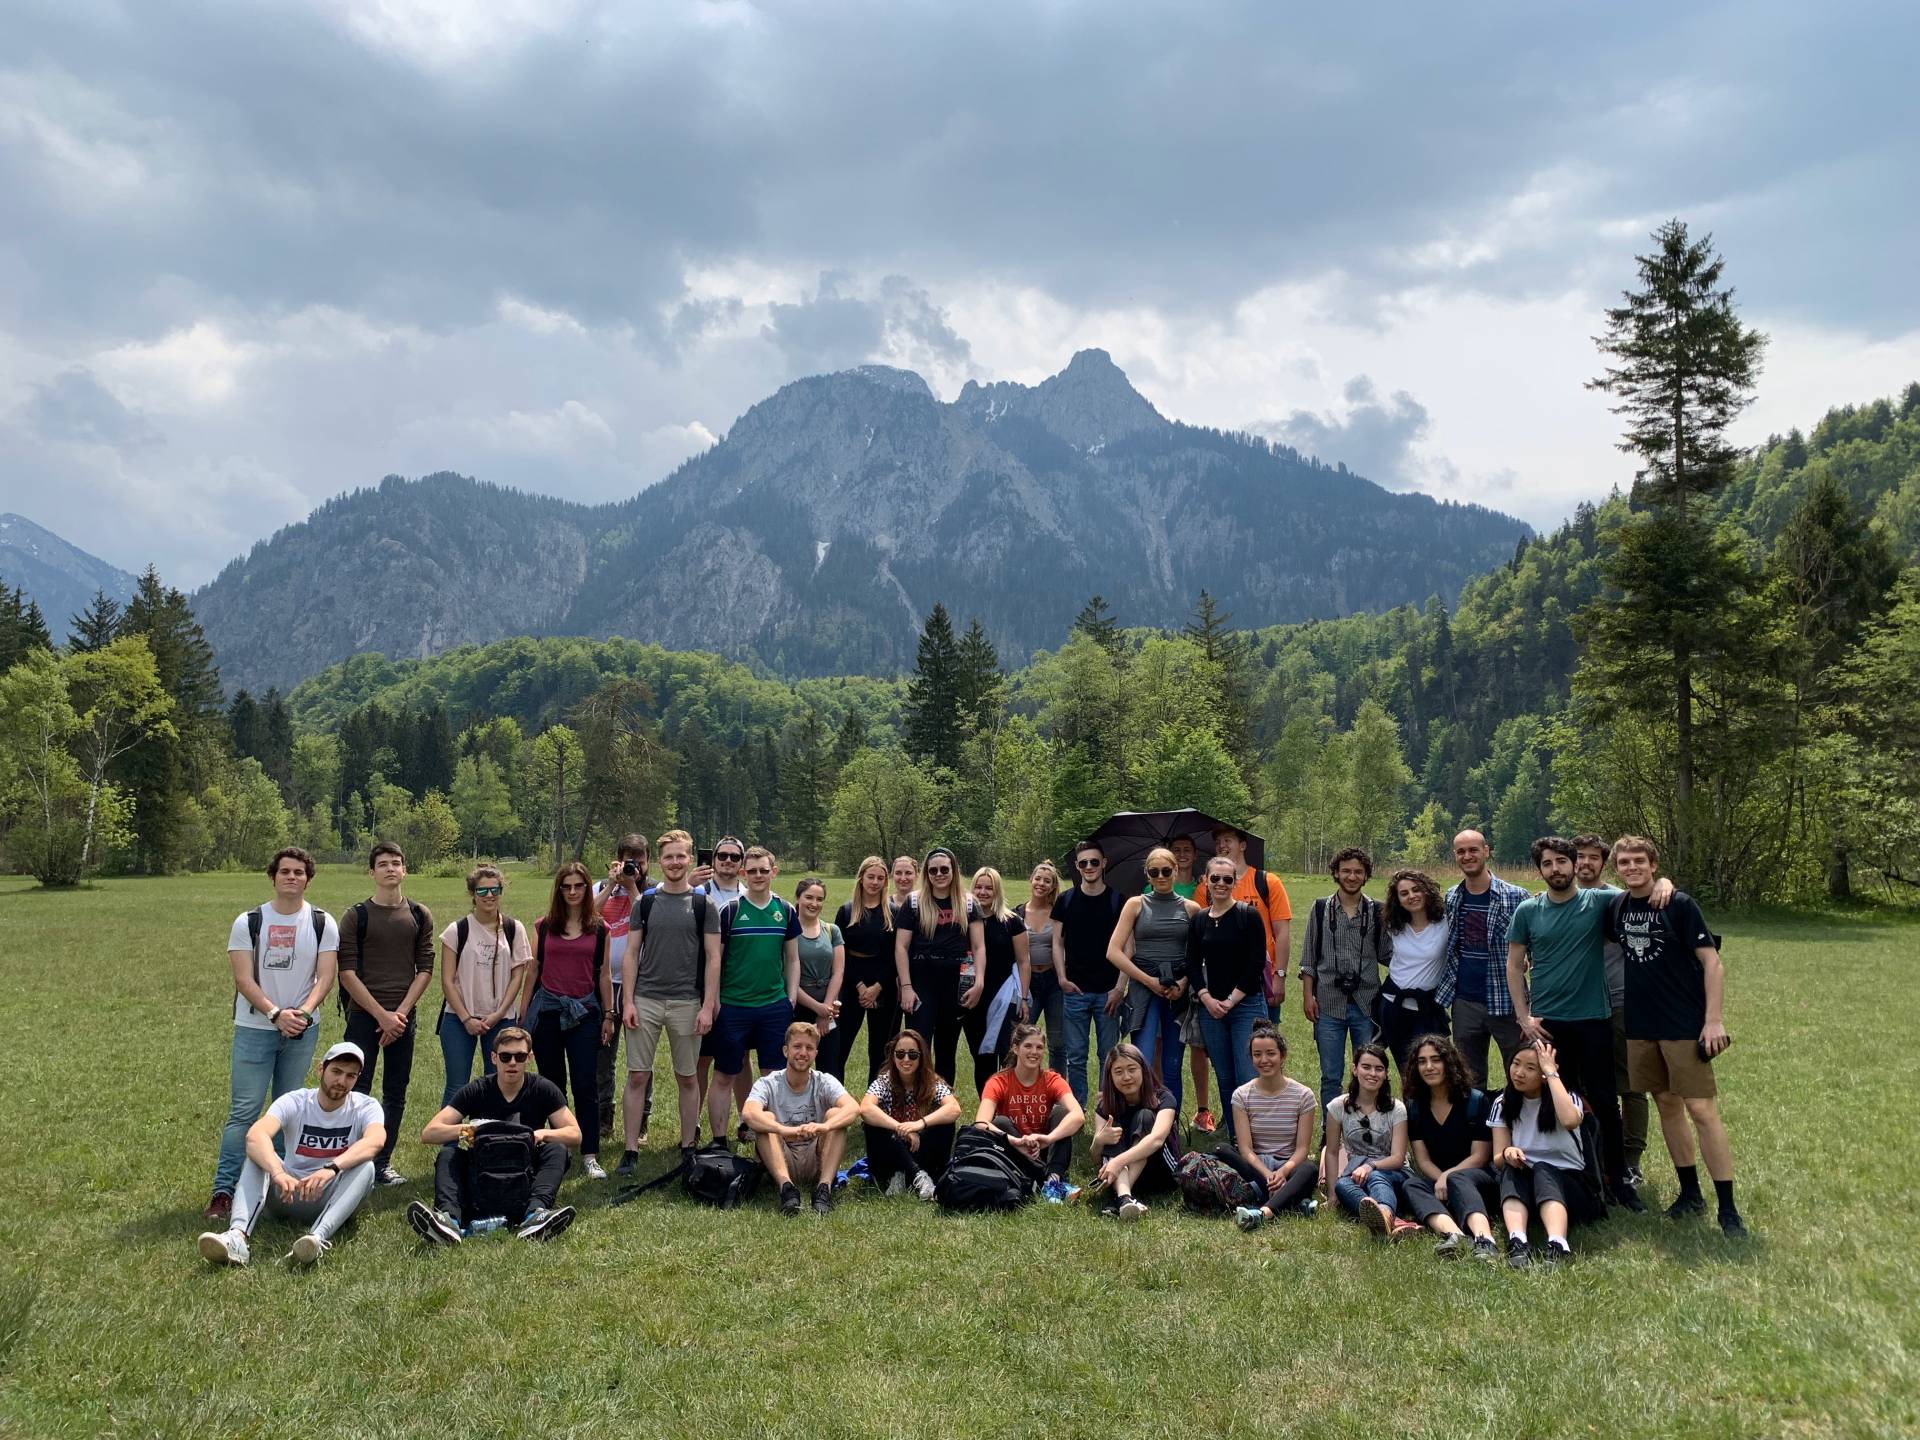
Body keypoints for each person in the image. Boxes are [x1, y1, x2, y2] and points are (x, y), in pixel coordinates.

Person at [1508, 835, 1669, 1211]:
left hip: (1594, 1019)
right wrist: (1523, 1016)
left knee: (1603, 1104)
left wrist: (1663, 883)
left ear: (1573, 864)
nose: (1555, 869)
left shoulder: (1598, 901)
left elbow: (1642, 893)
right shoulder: (1528, 912)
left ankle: (1618, 1182)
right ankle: (1564, 1172)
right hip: (1548, 1025)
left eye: (1561, 862)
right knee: (1552, 1099)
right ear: (1540, 870)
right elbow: (1514, 966)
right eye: (1547, 864)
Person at [1608, 835, 1746, 1238]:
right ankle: (1690, 1194)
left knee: (1702, 1111)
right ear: (1617, 868)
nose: (1632, 868)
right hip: (1640, 1026)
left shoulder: (1679, 905)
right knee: (1666, 1104)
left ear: (1653, 865)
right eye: (1624, 862)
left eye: (1639, 861)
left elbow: (1712, 963)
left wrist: (1713, 1020)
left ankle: (1729, 1209)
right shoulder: (1616, 907)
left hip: (1683, 1025)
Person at [207, 846, 339, 1222]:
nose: (292, 877)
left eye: (299, 872)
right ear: (273, 876)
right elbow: (242, 978)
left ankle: (273, 1186)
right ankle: (224, 1191)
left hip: (301, 1030)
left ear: (308, 879)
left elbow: (325, 976)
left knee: (287, 1111)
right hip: (255, 1028)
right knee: (244, 1112)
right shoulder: (249, 921)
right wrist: (274, 1013)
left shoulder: (321, 921)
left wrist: (303, 1013)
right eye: (285, 871)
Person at [198, 1041, 384, 1268]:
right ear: (321, 1070)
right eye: (336, 1072)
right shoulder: (295, 1101)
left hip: (333, 1194)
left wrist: (331, 1169)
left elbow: (376, 1140)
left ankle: (316, 1240)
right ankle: (237, 1237)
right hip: (288, 1191)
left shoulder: (365, 1106)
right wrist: (278, 1173)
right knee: (257, 1157)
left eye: (350, 1076)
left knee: (366, 1166)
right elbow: (255, 1136)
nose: (342, 1082)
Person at [407, 1027, 581, 1244]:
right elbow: (429, 1132)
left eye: (520, 1057)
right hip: (481, 1180)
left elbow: (575, 1134)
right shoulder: (477, 1090)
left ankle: (535, 1215)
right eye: (505, 1056)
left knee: (557, 1149)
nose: (512, 1063)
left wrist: (542, 1133)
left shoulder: (542, 1088)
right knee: (448, 1155)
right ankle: (448, 1221)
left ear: (530, 1058)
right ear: (494, 1058)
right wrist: (467, 1130)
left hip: (525, 1178)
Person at [617, 829, 720, 1174]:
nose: (675, 862)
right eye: (669, 857)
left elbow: (713, 957)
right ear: (659, 862)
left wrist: (708, 1005)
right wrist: (627, 1001)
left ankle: (688, 1145)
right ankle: (631, 1150)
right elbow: (631, 953)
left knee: (688, 1077)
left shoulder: (704, 904)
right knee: (636, 1076)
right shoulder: (645, 902)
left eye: (681, 856)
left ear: (690, 859)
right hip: (645, 999)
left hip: (687, 1002)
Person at [336, 840, 434, 1186]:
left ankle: (381, 1164)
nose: (391, 869)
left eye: (396, 863)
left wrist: (400, 1014)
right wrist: (380, 1015)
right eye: (383, 864)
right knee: (356, 1088)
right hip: (363, 1016)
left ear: (404, 870)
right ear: (372, 872)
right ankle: (352, 1162)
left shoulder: (420, 915)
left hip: (403, 1017)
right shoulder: (356, 916)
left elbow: (425, 967)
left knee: (396, 1091)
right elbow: (346, 972)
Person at [702, 847, 802, 1147]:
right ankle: (719, 1141)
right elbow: (714, 960)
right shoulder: (730, 910)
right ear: (744, 873)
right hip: (734, 1006)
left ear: (774, 872)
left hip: (773, 1007)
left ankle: (769, 1139)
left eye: (764, 870)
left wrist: (791, 997)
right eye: (753, 870)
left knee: (773, 1077)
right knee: (724, 1074)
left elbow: (793, 959)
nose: (758, 875)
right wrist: (716, 1000)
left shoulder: (785, 910)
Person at [526, 862, 614, 1180]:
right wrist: (524, 1018)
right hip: (548, 1012)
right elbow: (533, 970)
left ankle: (590, 1154)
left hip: (585, 1014)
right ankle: (557, 1148)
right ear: (559, 890)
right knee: (551, 1085)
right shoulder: (544, 926)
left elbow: (604, 975)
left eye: (579, 886)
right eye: (567, 886)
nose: (573, 892)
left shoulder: (601, 929)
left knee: (585, 1084)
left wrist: (608, 1014)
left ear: (586, 888)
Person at [1574, 835, 1650, 1189]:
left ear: (1603, 863)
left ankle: (1631, 1160)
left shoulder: (1619, 901)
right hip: (1578, 1008)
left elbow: (1655, 894)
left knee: (1630, 1085)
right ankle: (1594, 1155)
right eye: (1579, 856)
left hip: (1619, 1003)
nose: (1585, 863)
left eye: (1593, 857)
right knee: (1586, 1086)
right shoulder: (1556, 900)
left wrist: (1664, 882)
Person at [1490, 1039, 1599, 1267]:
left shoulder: (1568, 1099)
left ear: (1544, 1074)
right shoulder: (1503, 1102)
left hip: (1573, 1188)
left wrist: (1551, 1072)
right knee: (1512, 1170)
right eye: (1516, 1064)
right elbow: (1498, 1159)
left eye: (1530, 1068)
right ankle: (1518, 1242)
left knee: (1542, 1168)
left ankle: (1558, 1245)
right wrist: (1508, 1153)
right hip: (1528, 1185)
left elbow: (1570, 1121)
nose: (1519, 1073)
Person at [1108, 847, 1200, 1111]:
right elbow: (1114, 951)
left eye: (1166, 871)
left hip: (1176, 992)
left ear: (1175, 871)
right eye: (1154, 872)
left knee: (1172, 1063)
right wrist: (1148, 981)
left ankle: (1168, 1124)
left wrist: (1183, 982)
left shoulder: (1191, 909)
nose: (1161, 876)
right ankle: (1140, 1120)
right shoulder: (1135, 905)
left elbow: (1199, 955)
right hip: (1143, 989)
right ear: (1147, 875)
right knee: (1141, 1059)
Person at [1438, 829, 1530, 1089]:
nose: (1468, 856)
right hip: (1465, 1002)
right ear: (1455, 856)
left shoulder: (1516, 897)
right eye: (1461, 851)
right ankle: (1477, 1129)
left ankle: (1516, 1127)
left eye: (1473, 850)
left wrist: (1526, 963)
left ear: (1486, 851)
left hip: (1507, 1000)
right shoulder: (1452, 896)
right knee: (1468, 1077)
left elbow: (1533, 947)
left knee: (1520, 1072)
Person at [437, 863, 532, 1105]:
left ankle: (495, 1138)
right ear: (472, 894)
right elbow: (447, 980)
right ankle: (449, 1141)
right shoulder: (457, 930)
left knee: (500, 1082)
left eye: (494, 890)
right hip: (458, 1019)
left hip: (501, 1019)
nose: (489, 896)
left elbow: (517, 977)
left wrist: (499, 1013)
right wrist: (467, 1018)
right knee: (457, 1085)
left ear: (501, 891)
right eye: (482, 891)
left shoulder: (514, 929)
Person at [1399, 1034, 1500, 1261]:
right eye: (1422, 1061)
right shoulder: (1414, 1106)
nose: (1429, 1067)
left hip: (1476, 1178)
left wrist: (1449, 1176)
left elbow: (1480, 1156)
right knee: (1411, 1184)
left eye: (1436, 1060)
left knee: (1459, 1180)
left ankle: (1485, 1240)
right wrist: (1441, 1179)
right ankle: (1454, 1235)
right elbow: (1422, 1159)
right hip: (1440, 1181)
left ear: (1449, 1063)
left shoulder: (1475, 1101)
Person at [1300, 847, 1388, 1108]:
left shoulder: (1377, 912)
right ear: (1336, 873)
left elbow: (1389, 955)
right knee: (1330, 1076)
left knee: (1369, 1073)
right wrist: (1308, 996)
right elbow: (1308, 960)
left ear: (1366, 876)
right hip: (1328, 1003)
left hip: (1367, 1004)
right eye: (1346, 871)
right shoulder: (1320, 909)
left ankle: (1366, 1127)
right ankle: (1331, 1132)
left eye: (1358, 872)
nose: (1352, 876)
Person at [743, 1021, 860, 1216]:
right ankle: (786, 1188)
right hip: (782, 1156)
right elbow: (749, 1113)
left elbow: (853, 1108)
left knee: (836, 1116)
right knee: (765, 1118)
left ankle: (824, 1188)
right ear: (785, 1050)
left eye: (809, 1048)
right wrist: (782, 1129)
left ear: (815, 1053)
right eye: (797, 1046)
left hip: (817, 1157)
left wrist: (825, 1126)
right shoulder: (768, 1083)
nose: (803, 1053)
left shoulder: (824, 1080)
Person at [892, 847, 986, 1087]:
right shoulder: (914, 902)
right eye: (933, 870)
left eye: (945, 869)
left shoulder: (968, 903)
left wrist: (979, 982)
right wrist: (906, 987)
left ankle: (943, 1110)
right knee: (917, 1047)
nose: (939, 874)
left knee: (947, 1048)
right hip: (921, 981)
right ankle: (914, 1103)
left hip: (955, 984)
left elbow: (978, 947)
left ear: (953, 871)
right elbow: (901, 947)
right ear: (926, 873)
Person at [1186, 857, 1268, 1117]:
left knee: (1247, 1075)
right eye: (1215, 879)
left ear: (1235, 882)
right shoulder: (1199, 920)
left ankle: (1255, 1138)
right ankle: (1235, 1136)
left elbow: (1255, 963)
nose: (1221, 884)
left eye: (1227, 879)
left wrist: (1231, 1000)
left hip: (1246, 1004)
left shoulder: (1248, 916)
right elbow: (1191, 963)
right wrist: (1206, 998)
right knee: (1224, 1076)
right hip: (1211, 1010)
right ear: (1206, 881)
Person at [1054, 839, 1127, 1111]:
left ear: (1104, 863)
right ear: (1077, 866)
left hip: (1108, 991)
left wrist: (1120, 987)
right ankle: (1078, 1108)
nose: (1089, 867)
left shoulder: (1117, 900)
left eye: (1094, 862)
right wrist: (1062, 978)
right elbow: (1057, 942)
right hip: (1075, 991)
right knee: (1076, 1056)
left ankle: (1106, 1106)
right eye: (1083, 863)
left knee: (1109, 1056)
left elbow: (1127, 946)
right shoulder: (1066, 900)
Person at [1226, 1023, 1320, 1230]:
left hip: (1288, 1166)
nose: (1264, 1060)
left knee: (1310, 1169)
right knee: (1222, 1150)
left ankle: (1262, 1212)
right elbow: (1245, 1149)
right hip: (1257, 1167)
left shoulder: (1303, 1095)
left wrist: (1282, 1173)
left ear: (1282, 1056)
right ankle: (1292, 1200)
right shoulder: (1241, 1095)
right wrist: (1268, 1175)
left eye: (1271, 1053)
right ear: (1251, 1058)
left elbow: (1303, 1149)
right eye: (1257, 1054)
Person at [977, 1022, 1085, 1197]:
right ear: (1015, 1048)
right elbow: (980, 1123)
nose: (1034, 1052)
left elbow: (1078, 1115)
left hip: (1043, 1148)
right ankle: (1041, 1179)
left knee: (1062, 1114)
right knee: (1000, 1122)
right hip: (1015, 1148)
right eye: (1028, 1046)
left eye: (1039, 1047)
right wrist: (1014, 1141)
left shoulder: (1051, 1079)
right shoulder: (998, 1081)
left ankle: (1053, 1179)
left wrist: (1049, 1138)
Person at [859, 1027, 961, 1200]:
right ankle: (916, 1176)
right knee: (873, 1125)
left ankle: (905, 1175)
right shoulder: (885, 1081)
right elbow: (866, 1108)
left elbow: (954, 1108)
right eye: (900, 1054)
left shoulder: (931, 1082)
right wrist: (900, 1128)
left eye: (912, 1054)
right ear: (893, 1056)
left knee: (945, 1123)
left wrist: (918, 1124)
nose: (906, 1059)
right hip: (890, 1153)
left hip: (922, 1151)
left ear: (922, 1057)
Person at [691, 836, 750, 1138]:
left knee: (740, 1056)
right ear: (712, 860)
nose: (728, 861)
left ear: (742, 864)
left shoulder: (750, 893)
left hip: (739, 984)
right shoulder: (698, 892)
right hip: (702, 983)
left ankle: (747, 1119)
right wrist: (688, 886)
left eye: (734, 857)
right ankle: (695, 1120)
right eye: (722, 856)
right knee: (702, 1056)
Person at [593, 834, 649, 1147]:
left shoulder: (651, 890)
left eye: (639, 860)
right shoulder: (602, 887)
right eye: (628, 859)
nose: (633, 866)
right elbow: (586, 915)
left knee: (641, 1056)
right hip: (604, 982)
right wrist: (614, 885)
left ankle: (641, 1119)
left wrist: (632, 887)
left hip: (640, 983)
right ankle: (604, 1117)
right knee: (604, 1055)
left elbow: (650, 917)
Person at [1323, 1043, 1412, 1239]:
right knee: (1342, 1185)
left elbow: (1398, 1158)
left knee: (1375, 1176)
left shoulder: (1396, 1109)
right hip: (1356, 1174)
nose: (1372, 1073)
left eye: (1379, 1069)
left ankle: (1386, 1215)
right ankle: (1386, 1219)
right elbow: (1331, 1152)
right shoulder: (1338, 1107)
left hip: (1395, 1174)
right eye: (1366, 1067)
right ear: (1355, 1069)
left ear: (1386, 1074)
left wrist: (1371, 1166)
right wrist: (1332, 1195)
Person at [1210, 824, 1292, 1022]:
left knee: (1265, 1043)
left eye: (1228, 840)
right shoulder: (1209, 885)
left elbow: (1282, 932)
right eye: (1218, 842)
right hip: (1221, 979)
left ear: (1243, 845)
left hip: (1261, 977)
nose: (1222, 845)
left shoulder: (1267, 882)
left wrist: (1279, 975)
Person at [1089, 1043, 1181, 1220]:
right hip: (1124, 1177)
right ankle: (1125, 1198)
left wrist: (1118, 1162)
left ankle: (1120, 1197)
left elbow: (1156, 1140)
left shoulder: (1163, 1097)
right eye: (1118, 1072)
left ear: (1143, 1070)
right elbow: (1096, 1158)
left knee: (1145, 1116)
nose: (1126, 1077)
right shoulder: (1105, 1106)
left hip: (1161, 1174)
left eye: (1132, 1069)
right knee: (1112, 1129)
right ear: (1110, 1077)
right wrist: (1098, 1142)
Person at [832, 856, 901, 1083]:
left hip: (884, 983)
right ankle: (834, 1102)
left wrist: (877, 987)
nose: (875, 882)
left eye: (880, 878)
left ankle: (876, 1106)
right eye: (871, 877)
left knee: (881, 1050)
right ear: (861, 879)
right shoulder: (846, 911)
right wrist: (861, 987)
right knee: (839, 1046)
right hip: (852, 982)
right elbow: (841, 953)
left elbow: (896, 955)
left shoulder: (892, 912)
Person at [963, 866, 1030, 1093]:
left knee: (1007, 1054)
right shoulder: (963, 920)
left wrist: (1023, 997)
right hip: (973, 997)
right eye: (978, 887)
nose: (982, 892)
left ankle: (1008, 1109)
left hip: (1005, 996)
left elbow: (1023, 961)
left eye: (988, 888)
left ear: (997, 890)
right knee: (981, 1056)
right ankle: (987, 1110)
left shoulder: (1012, 921)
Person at [1379, 869, 1452, 1067]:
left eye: (1416, 889)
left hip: (1427, 1008)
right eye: (1404, 893)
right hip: (1393, 1006)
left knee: (1435, 1068)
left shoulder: (1445, 922)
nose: (1411, 896)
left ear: (1426, 890)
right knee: (1407, 1071)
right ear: (1397, 900)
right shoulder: (1393, 925)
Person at [1015, 861, 1067, 1075]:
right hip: (1027, 982)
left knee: (1057, 1042)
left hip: (1053, 980)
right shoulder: (1017, 913)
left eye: (1047, 881)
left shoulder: (1058, 913)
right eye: (1038, 879)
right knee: (1021, 1037)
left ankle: (1058, 1092)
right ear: (1031, 880)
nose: (1041, 884)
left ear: (1053, 886)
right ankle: (1020, 1085)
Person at [792, 878, 846, 1067]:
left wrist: (826, 1010)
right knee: (797, 1064)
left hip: (828, 1008)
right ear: (798, 898)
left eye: (819, 899)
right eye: (809, 897)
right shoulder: (788, 932)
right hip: (797, 1007)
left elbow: (838, 972)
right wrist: (817, 1008)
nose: (814, 904)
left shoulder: (832, 931)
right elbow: (786, 977)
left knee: (830, 1067)